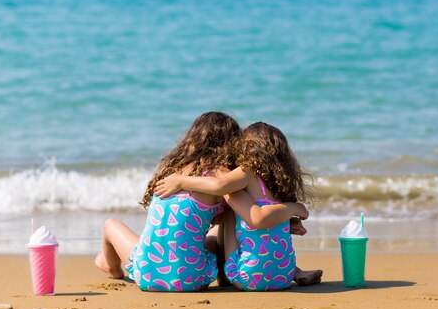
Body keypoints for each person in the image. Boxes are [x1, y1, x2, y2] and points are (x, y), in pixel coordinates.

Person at [95, 112, 309, 291]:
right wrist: (288, 218)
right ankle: (235, 274)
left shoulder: (172, 173)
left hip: (148, 275)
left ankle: (113, 268)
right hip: (192, 277)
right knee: (223, 224)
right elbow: (249, 216)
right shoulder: (222, 176)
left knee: (110, 225)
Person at [155, 122, 323, 290]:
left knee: (230, 211)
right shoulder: (280, 186)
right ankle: (296, 271)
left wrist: (180, 181)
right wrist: (292, 214)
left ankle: (223, 275)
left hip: (246, 277)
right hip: (283, 276)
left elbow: (221, 184)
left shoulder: (248, 172)